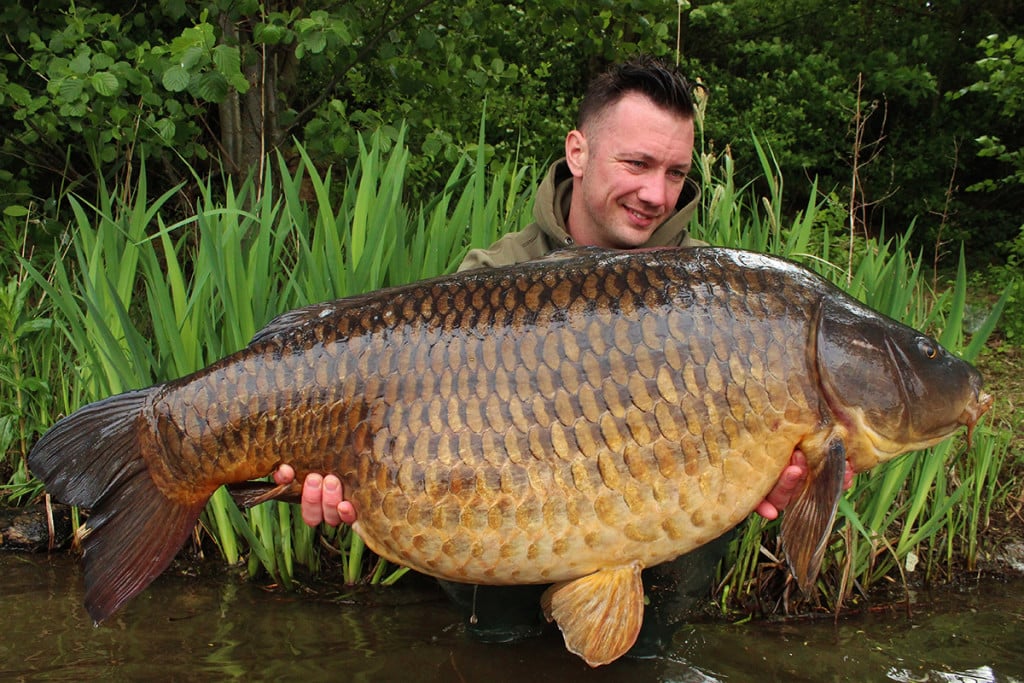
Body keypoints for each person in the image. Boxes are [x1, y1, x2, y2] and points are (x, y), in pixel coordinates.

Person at [274, 54, 852, 649]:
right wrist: (339, 473)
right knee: (501, 653)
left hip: (650, 559)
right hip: (499, 534)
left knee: (642, 655)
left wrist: (776, 482)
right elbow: (399, 413)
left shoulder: (712, 295)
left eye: (676, 173)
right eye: (637, 163)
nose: (657, 194)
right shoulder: (493, 275)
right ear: (578, 152)